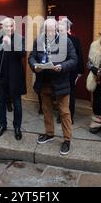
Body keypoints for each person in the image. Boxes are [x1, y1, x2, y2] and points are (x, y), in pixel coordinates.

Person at [29, 18, 77, 155]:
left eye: (52, 29)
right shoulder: (38, 41)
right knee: (46, 109)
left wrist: (62, 66)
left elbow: (74, 60)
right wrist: (35, 66)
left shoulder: (65, 41)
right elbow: (31, 57)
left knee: (64, 112)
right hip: (44, 81)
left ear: (56, 29)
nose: (49, 32)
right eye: (47, 29)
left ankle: (67, 140)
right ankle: (49, 133)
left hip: (60, 81)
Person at [0, 17, 26, 141]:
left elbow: (22, 54)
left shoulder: (20, 39)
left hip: (15, 77)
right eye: (7, 26)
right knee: (0, 102)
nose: (9, 28)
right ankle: (2, 124)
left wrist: (10, 44)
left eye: (11, 26)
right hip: (1, 76)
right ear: (2, 27)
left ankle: (17, 127)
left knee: (17, 104)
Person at [58, 18, 84, 124]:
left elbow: (79, 56)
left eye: (61, 27)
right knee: (60, 94)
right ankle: (61, 116)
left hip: (71, 72)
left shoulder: (75, 40)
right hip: (59, 72)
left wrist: (80, 72)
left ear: (67, 28)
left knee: (71, 95)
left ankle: (70, 116)